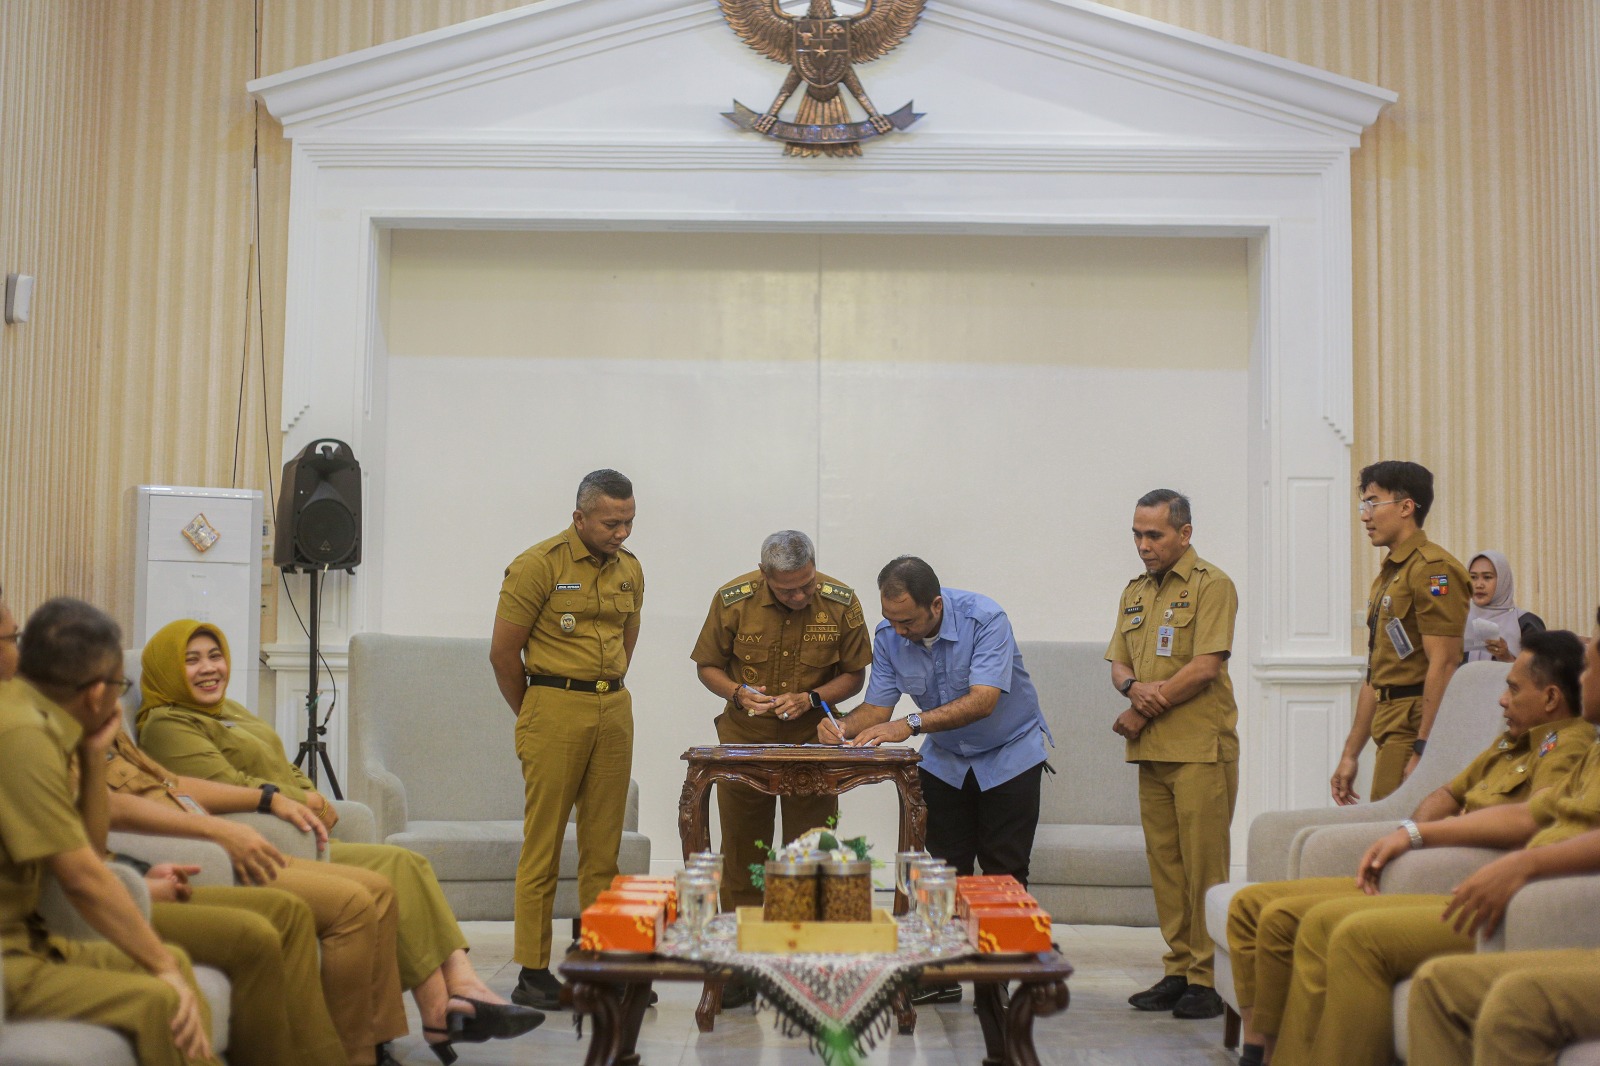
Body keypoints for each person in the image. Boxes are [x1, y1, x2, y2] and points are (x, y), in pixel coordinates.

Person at [133, 620, 544, 1064]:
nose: (209, 668)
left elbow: (279, 764)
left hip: (298, 832)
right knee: (398, 867)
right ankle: (451, 1001)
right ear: (167, 669)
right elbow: (225, 786)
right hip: (268, 841)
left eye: (215, 656)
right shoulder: (167, 723)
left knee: (407, 863)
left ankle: (449, 1000)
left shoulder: (226, 711)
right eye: (191, 660)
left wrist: (310, 795)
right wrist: (301, 799)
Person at [1228, 628, 1594, 1064]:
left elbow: (1529, 819)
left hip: (1513, 898)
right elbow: (1452, 793)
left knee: (1353, 936)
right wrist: (1412, 835)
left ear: (1550, 698)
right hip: (1464, 879)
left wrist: (1423, 838)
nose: (1501, 700)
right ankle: (1267, 1054)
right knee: (1273, 911)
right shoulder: (1516, 742)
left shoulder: (1569, 745)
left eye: (1513, 689)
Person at [102, 721, 408, 1066]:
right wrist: (215, 832)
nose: (113, 704)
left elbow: (170, 785)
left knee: (379, 888)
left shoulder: (109, 728)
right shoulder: (161, 725)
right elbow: (103, 815)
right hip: (194, 857)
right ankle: (356, 1055)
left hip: (199, 846)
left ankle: (376, 1047)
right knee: (341, 906)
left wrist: (268, 799)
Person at [819, 555, 1051, 1004]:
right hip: (947, 759)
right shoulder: (889, 635)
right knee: (943, 868)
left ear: (936, 606)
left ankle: (995, 981)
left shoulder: (985, 620)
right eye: (890, 619)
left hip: (1010, 754)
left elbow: (983, 700)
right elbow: (878, 708)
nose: (898, 630)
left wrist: (909, 725)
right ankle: (942, 973)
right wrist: (840, 726)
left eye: (907, 621)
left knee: (1003, 871)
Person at [0, 594, 216, 1066]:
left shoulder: (40, 720)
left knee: (175, 964)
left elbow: (92, 849)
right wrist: (160, 966)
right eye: (120, 686)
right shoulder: (22, 736)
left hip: (35, 941)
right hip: (8, 962)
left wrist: (94, 753)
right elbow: (82, 876)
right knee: (161, 995)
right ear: (98, 694)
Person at [489, 468, 643, 1011]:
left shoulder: (630, 569)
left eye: (628, 522)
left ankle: (600, 963)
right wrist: (536, 711)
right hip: (554, 706)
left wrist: (604, 690)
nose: (621, 533)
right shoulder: (538, 565)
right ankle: (533, 971)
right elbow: (503, 654)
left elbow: (626, 640)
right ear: (579, 517)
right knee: (544, 845)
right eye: (610, 523)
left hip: (613, 708)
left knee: (604, 846)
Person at [1106, 490, 1239, 1021]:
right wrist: (1130, 688)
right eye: (1137, 535)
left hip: (1200, 748)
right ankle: (1179, 968)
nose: (1144, 545)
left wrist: (1141, 710)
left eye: (1154, 535)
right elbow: (1119, 662)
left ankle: (1209, 979)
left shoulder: (1212, 585)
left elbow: (1205, 667)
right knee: (1166, 867)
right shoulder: (1135, 591)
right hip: (1152, 753)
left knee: (1204, 867)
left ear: (1184, 534)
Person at [690, 530, 871, 910]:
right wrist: (737, 693)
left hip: (813, 743)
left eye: (807, 584)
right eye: (788, 591)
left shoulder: (841, 602)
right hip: (745, 741)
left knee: (811, 848)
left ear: (814, 566)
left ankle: (805, 933)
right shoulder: (733, 601)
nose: (800, 596)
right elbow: (707, 665)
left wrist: (812, 698)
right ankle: (742, 936)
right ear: (764, 573)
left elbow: (855, 675)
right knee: (742, 850)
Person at [1331, 461, 1469, 806]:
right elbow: (1376, 672)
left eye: (1373, 503)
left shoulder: (1433, 570)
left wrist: (1424, 748)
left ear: (1406, 507)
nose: (1365, 516)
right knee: (1382, 822)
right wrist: (1350, 754)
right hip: (1389, 719)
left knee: (1389, 827)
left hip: (1414, 722)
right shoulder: (1391, 573)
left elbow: (1445, 663)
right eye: (1363, 505)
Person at [1464, 549, 1545, 663]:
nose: (1479, 585)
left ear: (1503, 581)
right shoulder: (1460, 621)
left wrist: (1506, 657)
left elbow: (1539, 671)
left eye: (1487, 577)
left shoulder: (1526, 623)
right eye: (1473, 577)